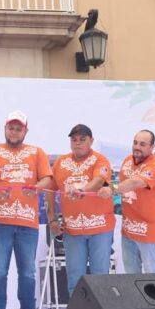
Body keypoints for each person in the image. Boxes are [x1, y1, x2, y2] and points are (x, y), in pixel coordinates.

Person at [0, 110, 54, 309]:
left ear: (25, 130)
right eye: (11, 127)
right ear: (5, 129)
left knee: (28, 272)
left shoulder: (37, 152)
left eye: (18, 128)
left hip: (28, 221)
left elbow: (47, 178)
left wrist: (38, 187)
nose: (14, 131)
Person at [47, 124, 114, 296]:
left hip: (100, 228)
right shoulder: (61, 162)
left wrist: (82, 191)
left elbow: (100, 180)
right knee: (75, 277)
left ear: (91, 141)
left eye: (82, 139)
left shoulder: (100, 160)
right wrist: (52, 219)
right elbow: (50, 190)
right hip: (73, 230)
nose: (78, 143)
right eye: (74, 140)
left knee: (100, 276)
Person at [102, 130, 155, 274]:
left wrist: (113, 189)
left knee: (152, 271)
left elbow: (135, 182)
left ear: (152, 147)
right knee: (130, 272)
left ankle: (153, 297)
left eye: (142, 144)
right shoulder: (127, 160)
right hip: (128, 228)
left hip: (148, 230)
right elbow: (122, 183)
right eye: (135, 143)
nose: (137, 147)